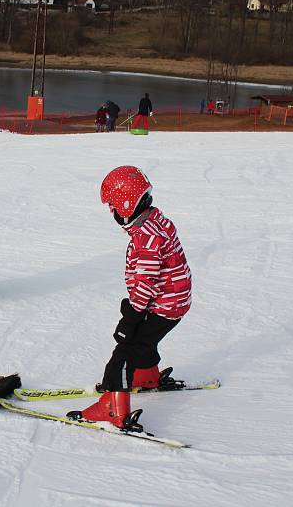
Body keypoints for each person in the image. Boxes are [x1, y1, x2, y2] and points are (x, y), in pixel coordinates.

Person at [69, 166, 192, 432]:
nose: (111, 211)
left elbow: (146, 284)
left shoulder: (146, 238)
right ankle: (147, 376)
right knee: (145, 341)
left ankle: (114, 408)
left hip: (162, 304)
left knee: (124, 352)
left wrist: (131, 317)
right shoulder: (156, 221)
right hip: (175, 302)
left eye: (112, 205)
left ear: (126, 204)